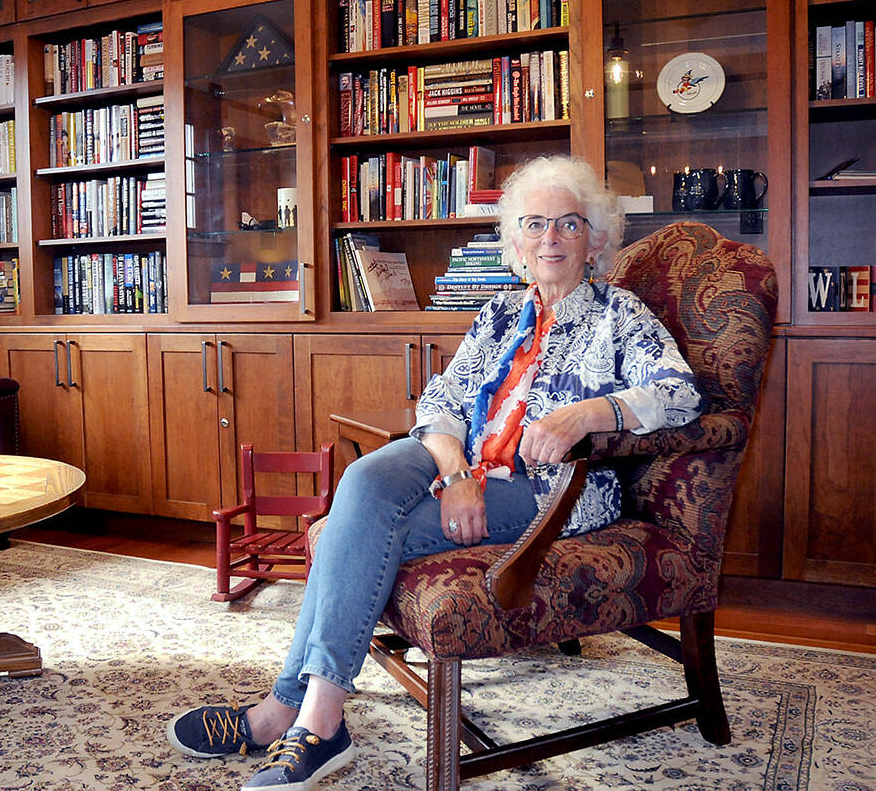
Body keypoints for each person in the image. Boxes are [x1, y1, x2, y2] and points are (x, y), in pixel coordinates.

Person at [166, 155, 703, 791]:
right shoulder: (499, 313)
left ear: (596, 238)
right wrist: (456, 475)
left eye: (569, 223)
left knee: (357, 532)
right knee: (364, 483)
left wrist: (587, 412)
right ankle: (304, 718)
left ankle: (300, 715)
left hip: (546, 487)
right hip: (464, 460)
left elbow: (680, 393)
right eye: (535, 224)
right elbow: (442, 401)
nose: (551, 238)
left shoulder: (620, 314)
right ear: (516, 243)